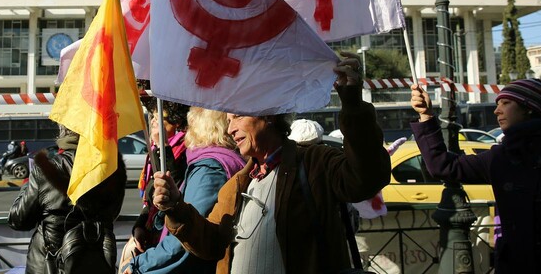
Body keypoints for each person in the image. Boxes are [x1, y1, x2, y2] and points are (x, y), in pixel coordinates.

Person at [151, 51, 391, 274]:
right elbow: (211, 244)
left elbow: (366, 178)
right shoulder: (238, 184)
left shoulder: (315, 162)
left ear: (267, 113)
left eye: (238, 116)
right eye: (228, 120)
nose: (231, 128)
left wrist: (353, 104)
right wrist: (175, 208)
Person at [409, 78, 541, 274]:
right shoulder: (500, 157)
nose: (497, 111)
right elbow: (443, 166)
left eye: (506, 103)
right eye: (497, 104)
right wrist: (426, 115)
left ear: (528, 107)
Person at [122, 107, 246, 273]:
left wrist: (137, 266)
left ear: (203, 126)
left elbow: (184, 239)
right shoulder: (211, 161)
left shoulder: (209, 168)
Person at [8, 124, 127, 274]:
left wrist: (28, 185)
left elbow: (18, 220)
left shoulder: (48, 168)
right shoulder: (113, 168)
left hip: (49, 265)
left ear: (63, 131)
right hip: (96, 263)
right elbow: (113, 214)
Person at [120, 101, 190, 269]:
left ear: (176, 122)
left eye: (159, 117)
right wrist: (139, 227)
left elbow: (174, 187)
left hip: (170, 235)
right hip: (152, 229)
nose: (153, 121)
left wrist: (163, 146)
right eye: (152, 116)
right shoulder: (153, 149)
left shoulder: (186, 148)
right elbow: (151, 201)